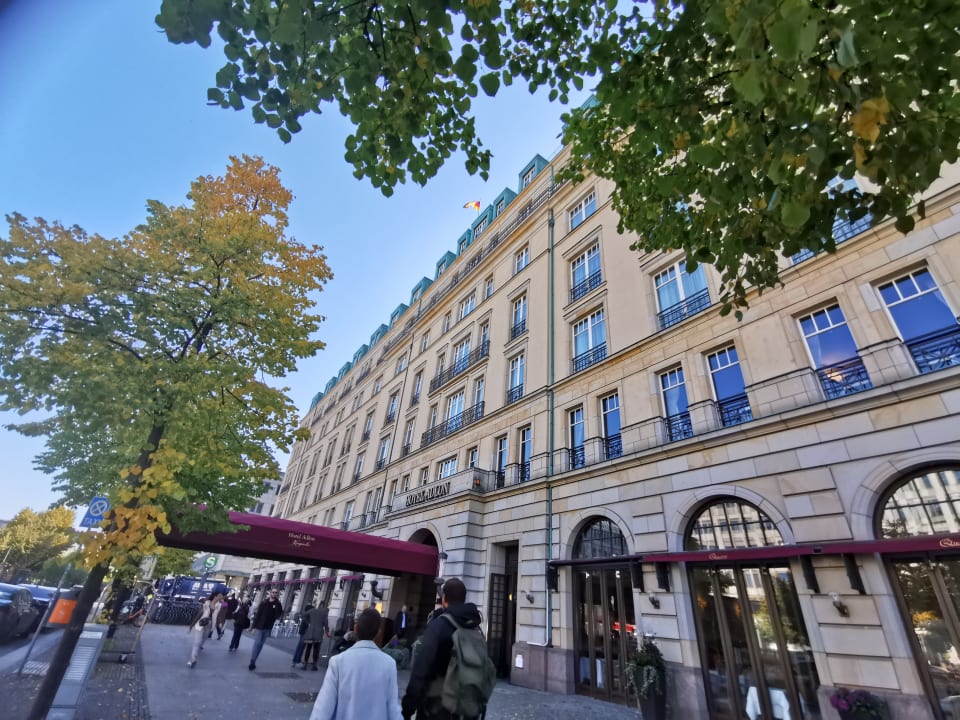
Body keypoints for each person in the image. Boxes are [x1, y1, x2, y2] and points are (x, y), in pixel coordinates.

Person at [401, 578, 482, 720]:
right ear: (464, 599)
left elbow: (421, 670)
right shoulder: (475, 628)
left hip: (436, 709)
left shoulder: (438, 626)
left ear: (444, 599)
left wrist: (408, 708)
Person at [309, 607, 402, 720]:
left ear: (355, 628)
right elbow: (394, 710)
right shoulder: (389, 664)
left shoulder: (338, 662)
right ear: (378, 633)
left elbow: (322, 709)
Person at [248, 588, 284, 670]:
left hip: (268, 628)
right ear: (270, 593)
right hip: (260, 627)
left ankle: (254, 659)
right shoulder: (264, 602)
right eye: (273, 592)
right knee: (257, 644)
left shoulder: (278, 604)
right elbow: (258, 615)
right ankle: (252, 661)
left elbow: (279, 614)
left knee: (260, 645)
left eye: (276, 592)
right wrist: (253, 627)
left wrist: (278, 611)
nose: (274, 594)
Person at [187, 590, 223, 669]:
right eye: (219, 596)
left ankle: (196, 653)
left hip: (209, 626)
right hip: (200, 624)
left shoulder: (219, 605)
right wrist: (191, 625)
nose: (221, 597)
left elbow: (220, 615)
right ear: (215, 596)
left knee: (203, 640)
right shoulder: (206, 603)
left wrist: (220, 623)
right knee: (197, 642)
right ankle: (193, 658)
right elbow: (199, 614)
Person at [301, 601, 330, 670]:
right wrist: (327, 632)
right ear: (324, 606)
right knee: (316, 649)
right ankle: (314, 665)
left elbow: (304, 615)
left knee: (308, 648)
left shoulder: (312, 610)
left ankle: (305, 664)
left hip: (310, 631)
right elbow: (326, 623)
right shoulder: (324, 613)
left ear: (319, 605)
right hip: (318, 632)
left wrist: (308, 621)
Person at [292, 603, 313, 668]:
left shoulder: (307, 617)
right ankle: (297, 661)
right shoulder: (306, 617)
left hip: (304, 633)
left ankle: (296, 661)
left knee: (301, 647)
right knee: (301, 647)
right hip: (304, 634)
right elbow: (308, 625)